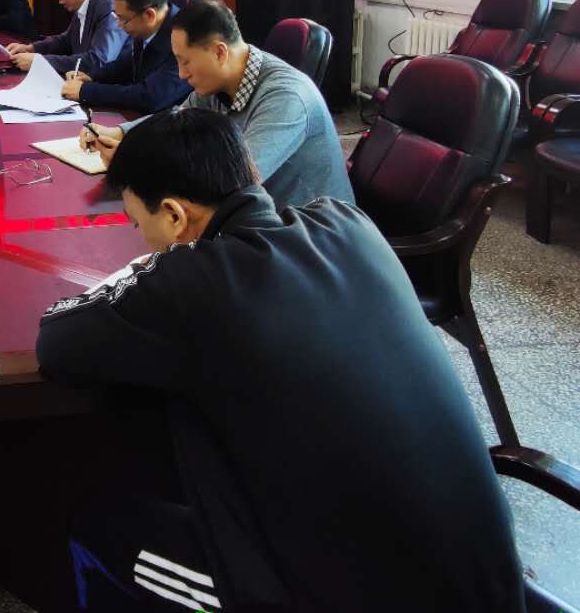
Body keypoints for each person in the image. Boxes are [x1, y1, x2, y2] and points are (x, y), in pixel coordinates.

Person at [37, 110, 523, 612]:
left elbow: (57, 341)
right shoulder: (347, 222)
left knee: (99, 527)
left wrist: (144, 274)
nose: (141, 238)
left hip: (331, 597)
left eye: (139, 224)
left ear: (176, 216)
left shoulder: (197, 283)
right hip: (488, 583)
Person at [85, 0, 353, 209]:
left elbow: (235, 181)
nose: (181, 74)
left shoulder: (287, 98)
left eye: (185, 61)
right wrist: (121, 133)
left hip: (313, 237)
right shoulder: (218, 80)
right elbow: (175, 120)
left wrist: (134, 163)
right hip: (262, 219)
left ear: (219, 52)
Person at [64, 0, 190, 116]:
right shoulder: (149, 25)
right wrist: (92, 76)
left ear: (149, 15)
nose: (119, 25)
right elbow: (129, 63)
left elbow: (151, 96)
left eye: (123, 19)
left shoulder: (185, 38)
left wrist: (86, 91)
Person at [6, 0, 126, 76]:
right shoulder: (85, 1)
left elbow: (98, 60)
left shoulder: (109, 7)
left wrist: (40, 62)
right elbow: (67, 40)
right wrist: (31, 48)